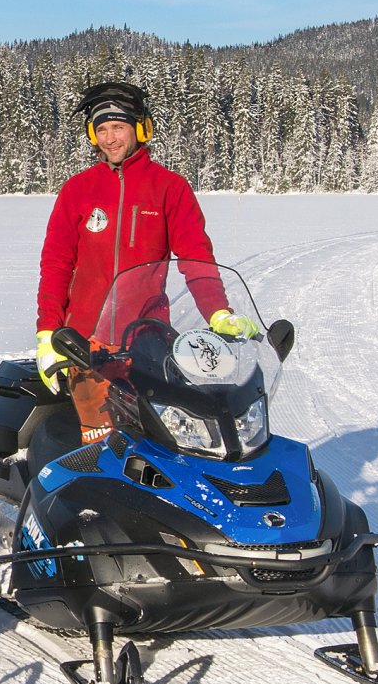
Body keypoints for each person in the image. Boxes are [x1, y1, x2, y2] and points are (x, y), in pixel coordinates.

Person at [36, 82, 255, 443]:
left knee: (163, 443)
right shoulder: (77, 190)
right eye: (101, 129)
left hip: (146, 342)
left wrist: (218, 313)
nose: (110, 138)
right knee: (103, 445)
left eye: (118, 127)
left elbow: (196, 258)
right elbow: (56, 265)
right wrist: (48, 333)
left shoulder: (170, 188)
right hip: (86, 343)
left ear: (141, 129)